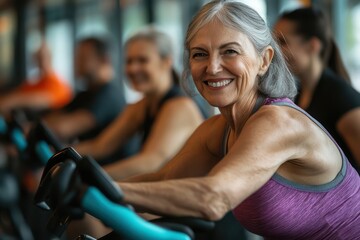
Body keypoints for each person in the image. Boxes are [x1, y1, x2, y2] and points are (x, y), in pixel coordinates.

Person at [111, 1, 360, 239]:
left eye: (229, 51)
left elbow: (213, 198)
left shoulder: (278, 123)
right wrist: (89, 180)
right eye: (200, 54)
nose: (212, 67)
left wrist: (97, 191)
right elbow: (164, 179)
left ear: (264, 60)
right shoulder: (218, 130)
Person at [75, 28, 204, 179]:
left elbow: (151, 163)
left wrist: (86, 178)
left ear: (166, 62)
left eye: (142, 60)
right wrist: (58, 155)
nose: (133, 68)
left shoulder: (180, 106)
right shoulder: (142, 106)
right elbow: (100, 146)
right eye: (129, 61)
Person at [274, 7, 360, 173]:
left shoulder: (341, 98)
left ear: (313, 46)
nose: (276, 51)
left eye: (283, 42)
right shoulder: (296, 94)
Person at [43, 37, 137, 162]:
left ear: (104, 60)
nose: (76, 63)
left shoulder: (109, 95)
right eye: (77, 57)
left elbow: (63, 128)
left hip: (108, 173)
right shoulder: (86, 93)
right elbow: (53, 118)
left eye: (83, 58)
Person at [0, 41, 72, 116]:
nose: (40, 58)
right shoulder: (34, 82)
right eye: (38, 55)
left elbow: (41, 99)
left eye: (43, 55)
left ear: (50, 56)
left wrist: (7, 102)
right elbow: (16, 93)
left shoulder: (59, 85)